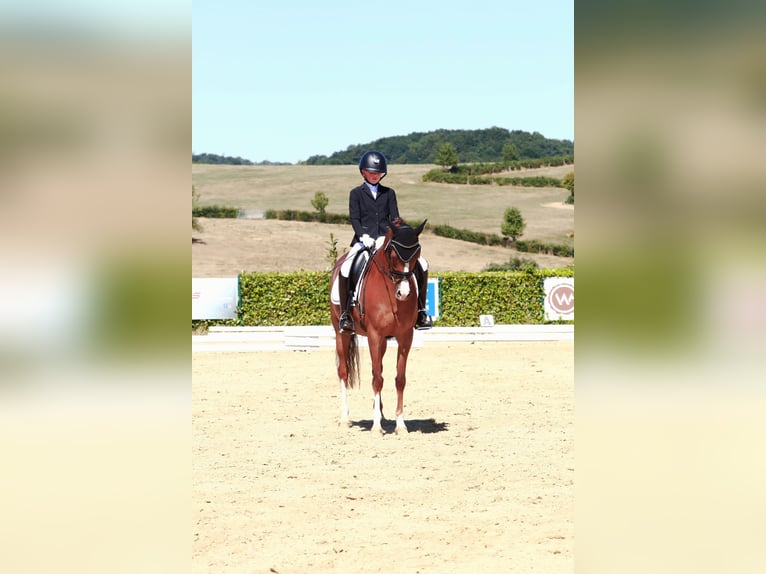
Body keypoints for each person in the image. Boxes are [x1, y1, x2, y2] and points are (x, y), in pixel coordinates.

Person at [337, 150, 432, 334]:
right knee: (345, 267)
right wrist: (363, 235)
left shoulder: (389, 193)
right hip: (364, 240)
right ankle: (346, 314)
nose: (375, 176)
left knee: (422, 263)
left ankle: (421, 311)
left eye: (378, 173)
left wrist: (397, 234)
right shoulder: (355, 193)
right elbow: (354, 218)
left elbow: (395, 218)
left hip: (386, 240)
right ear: (363, 172)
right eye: (371, 172)